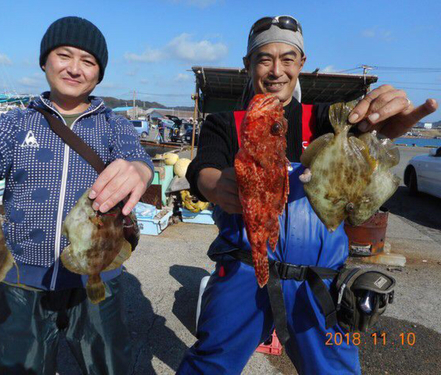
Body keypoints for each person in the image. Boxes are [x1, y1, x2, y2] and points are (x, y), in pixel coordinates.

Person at [178, 15, 438, 374]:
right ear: (248, 65)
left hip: (320, 282)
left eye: (287, 58)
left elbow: (365, 137)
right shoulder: (225, 123)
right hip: (244, 271)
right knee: (211, 363)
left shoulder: (327, 121)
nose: (276, 71)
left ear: (301, 63)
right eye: (264, 58)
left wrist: (381, 132)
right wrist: (215, 184)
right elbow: (202, 167)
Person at [0, 16, 153, 374]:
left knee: (107, 364)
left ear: (99, 73)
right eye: (63, 55)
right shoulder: (16, 121)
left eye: (87, 61)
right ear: (44, 61)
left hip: (95, 273)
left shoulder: (114, 125)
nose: (74, 68)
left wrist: (140, 171)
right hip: (21, 275)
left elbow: (137, 157)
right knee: (20, 365)